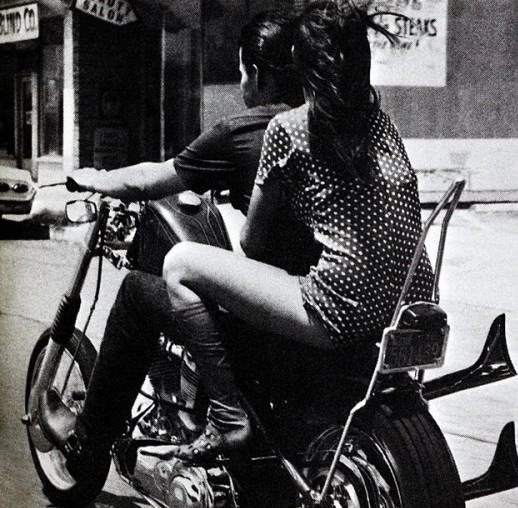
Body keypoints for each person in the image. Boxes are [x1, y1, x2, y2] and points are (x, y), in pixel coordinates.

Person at [40, 10, 315, 474]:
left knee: (136, 293)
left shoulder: (245, 132)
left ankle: (88, 445)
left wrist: (97, 178)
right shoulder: (323, 124)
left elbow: (153, 178)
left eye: (241, 71)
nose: (241, 82)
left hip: (275, 316)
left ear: (257, 73)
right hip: (313, 304)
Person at [157, 0, 435, 459]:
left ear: (300, 64)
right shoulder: (382, 125)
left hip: (342, 308)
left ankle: (227, 416)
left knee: (180, 264)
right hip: (413, 300)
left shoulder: (288, 128)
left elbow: (251, 243)